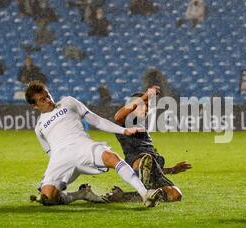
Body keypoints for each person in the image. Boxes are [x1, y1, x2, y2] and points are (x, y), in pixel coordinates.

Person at [25, 81, 162, 207]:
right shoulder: (39, 128)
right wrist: (56, 175)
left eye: (48, 95)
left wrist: (124, 130)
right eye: (43, 100)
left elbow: (97, 121)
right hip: (60, 157)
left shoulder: (68, 102)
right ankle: (81, 194)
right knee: (48, 198)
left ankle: (145, 194)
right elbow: (51, 153)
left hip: (82, 145)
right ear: (35, 106)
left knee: (112, 158)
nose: (49, 100)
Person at [105, 86, 191, 203]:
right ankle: (145, 186)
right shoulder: (124, 124)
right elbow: (117, 117)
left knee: (176, 195)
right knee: (145, 160)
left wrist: (172, 170)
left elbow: (151, 167)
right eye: (144, 106)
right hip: (136, 161)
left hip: (152, 168)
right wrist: (145, 96)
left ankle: (123, 196)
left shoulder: (142, 127)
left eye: (148, 106)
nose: (146, 109)